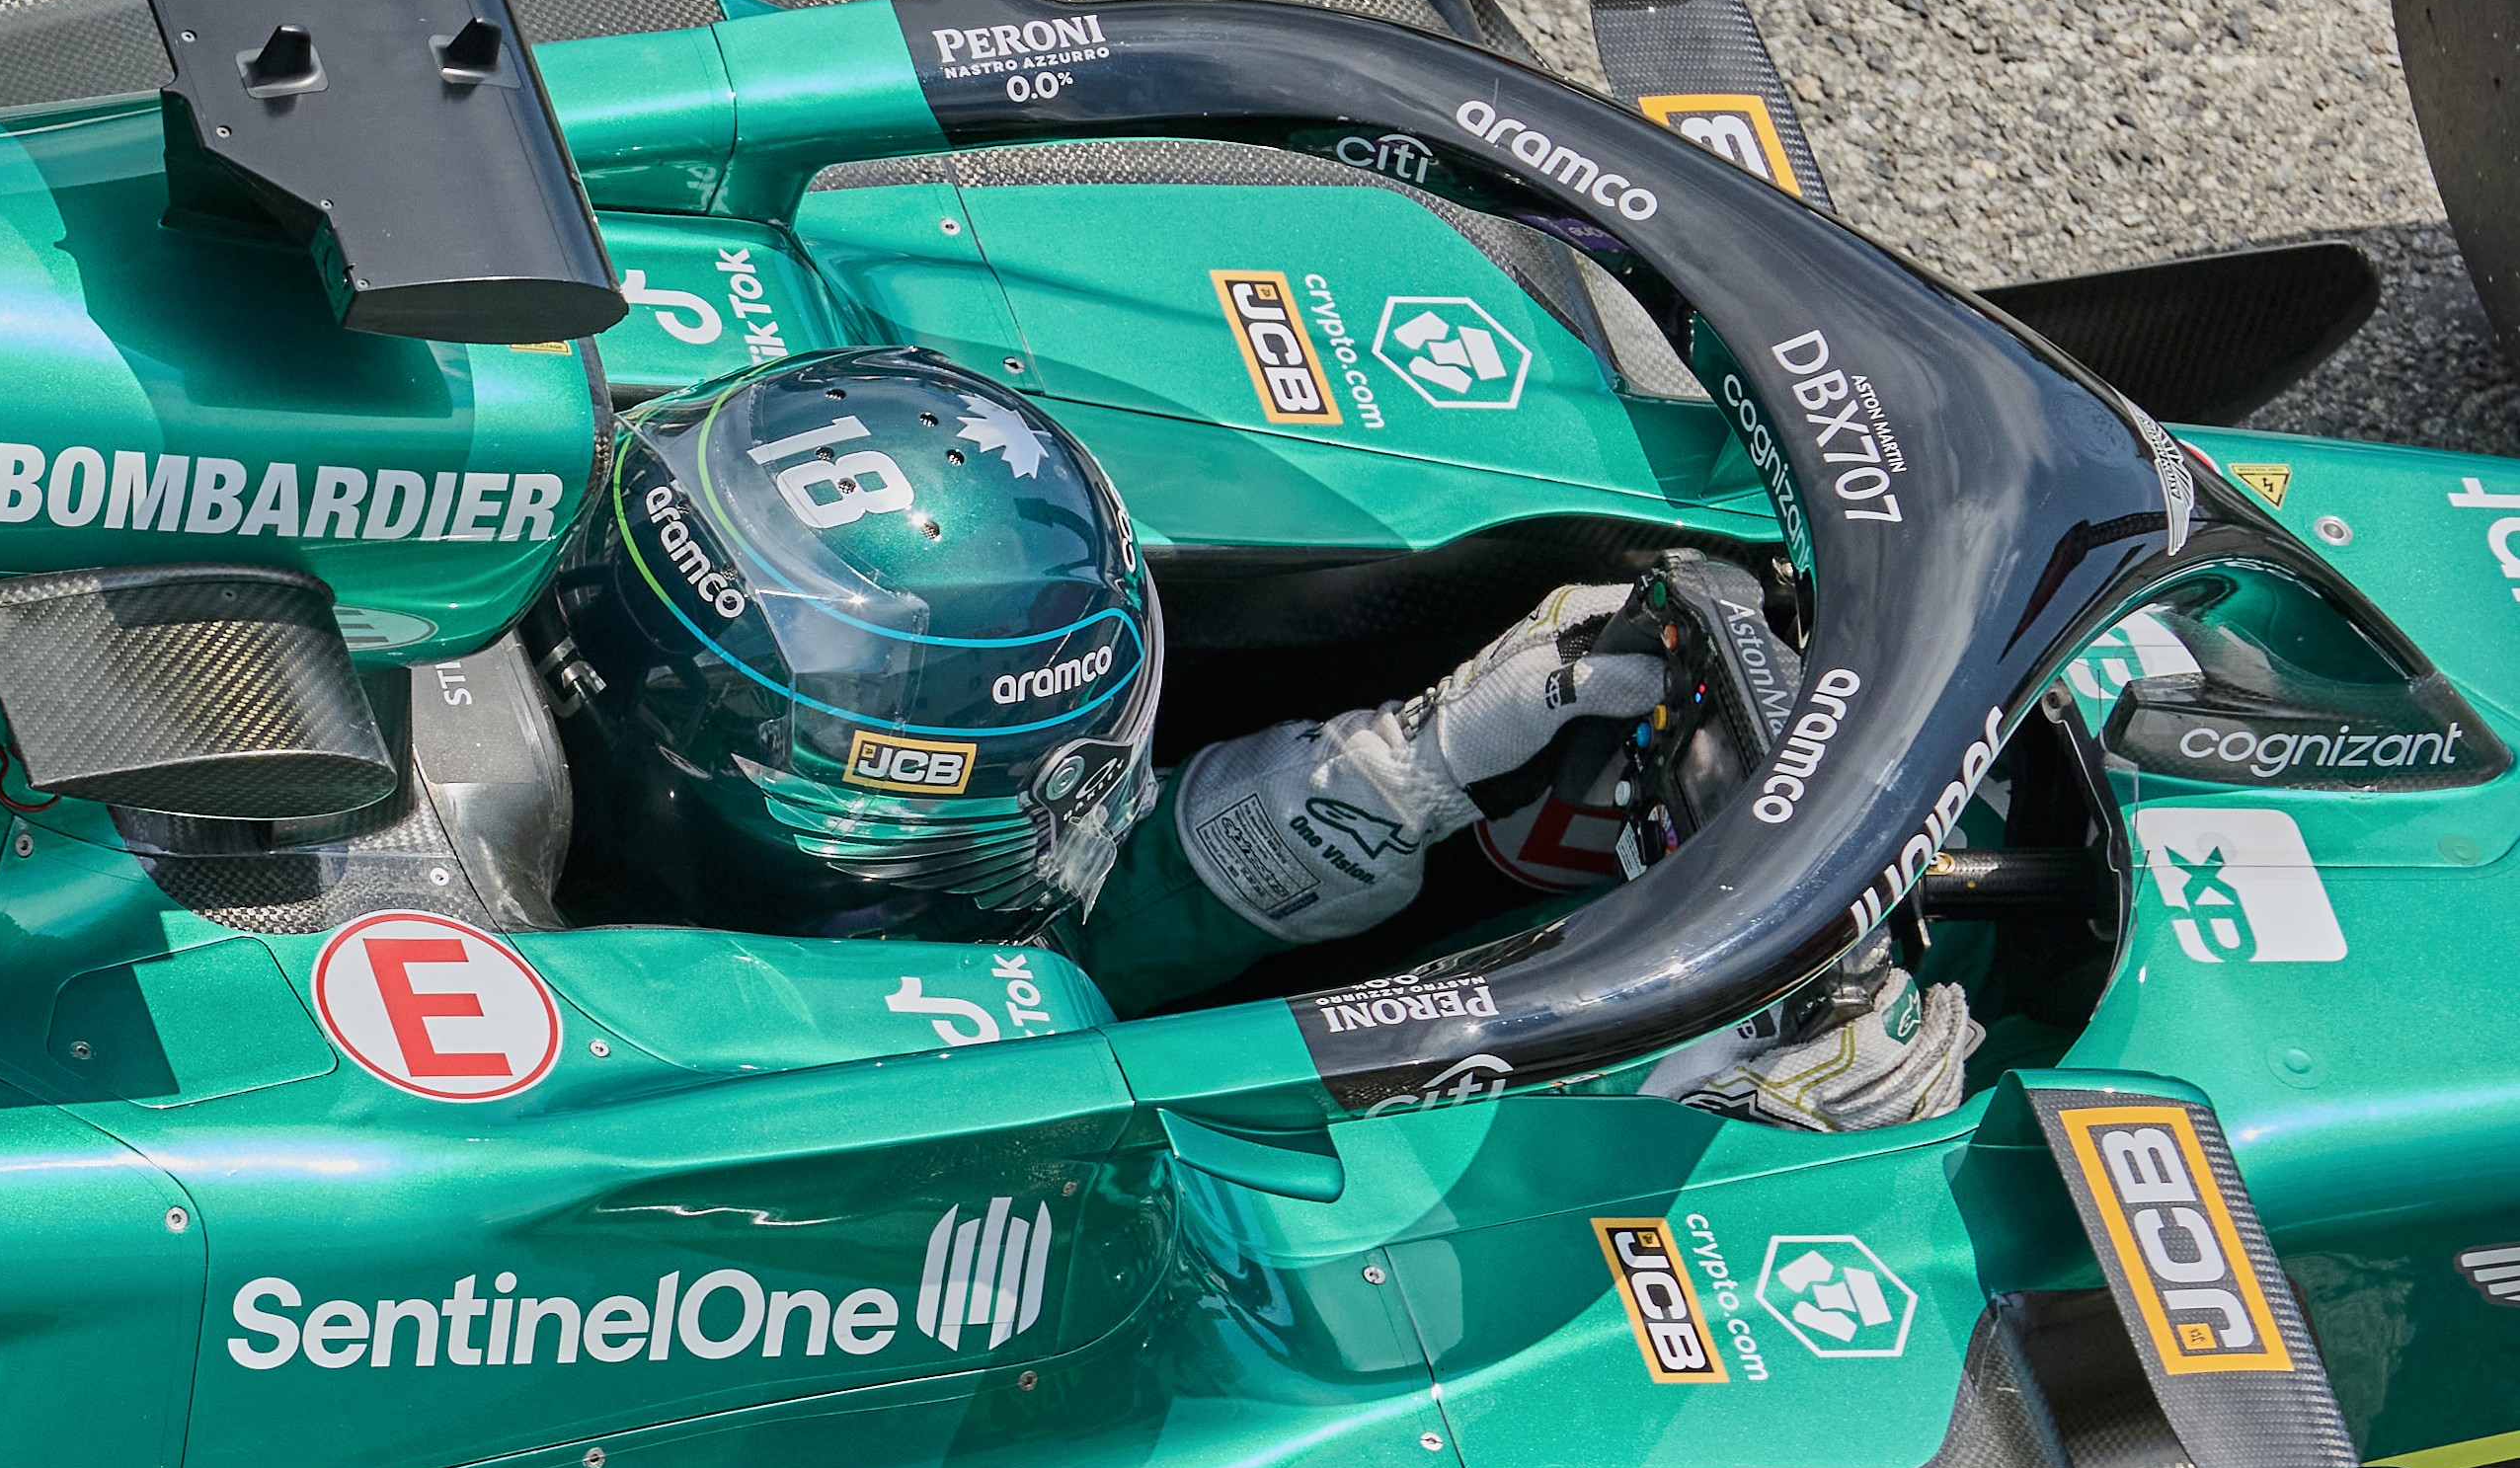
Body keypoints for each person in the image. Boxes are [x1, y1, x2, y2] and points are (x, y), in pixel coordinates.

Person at [546, 352, 1974, 1122]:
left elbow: (1061, 951)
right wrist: (1661, 1102)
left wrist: (1412, 764)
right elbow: (1114, 1129)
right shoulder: (763, 1081)